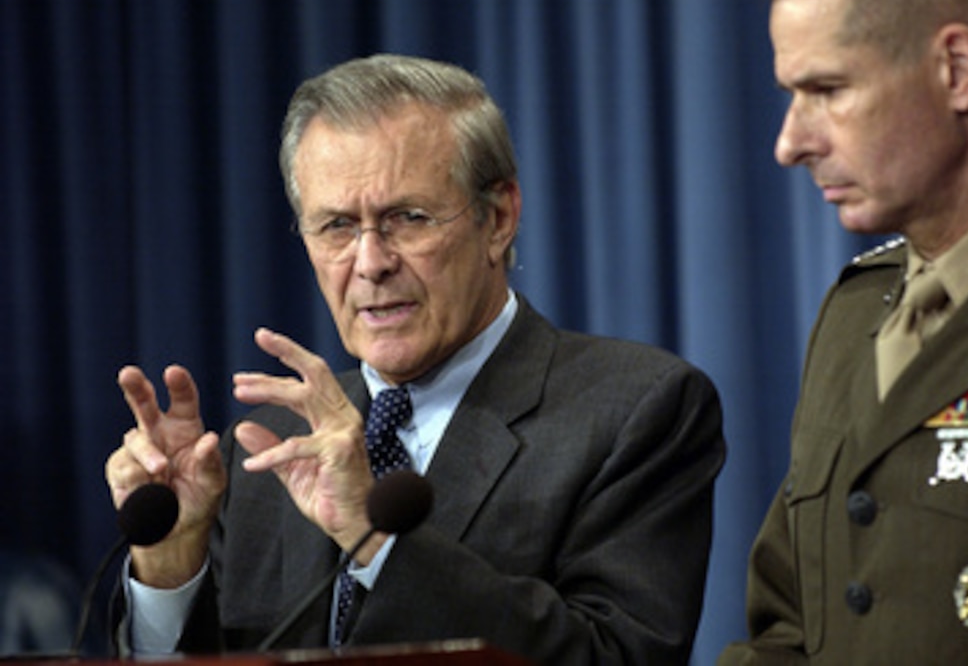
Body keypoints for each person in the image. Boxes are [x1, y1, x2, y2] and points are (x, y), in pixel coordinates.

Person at [105, 54, 725, 665]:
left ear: (500, 219)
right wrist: (169, 565)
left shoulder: (635, 410)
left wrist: (378, 543)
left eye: (408, 218)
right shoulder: (273, 447)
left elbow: (614, 656)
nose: (371, 262)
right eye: (337, 227)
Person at [720, 0, 968, 664]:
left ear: (956, 70)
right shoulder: (856, 311)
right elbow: (791, 631)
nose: (790, 143)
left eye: (827, 89)